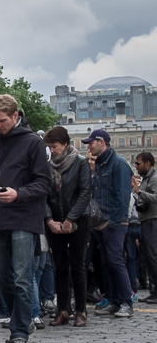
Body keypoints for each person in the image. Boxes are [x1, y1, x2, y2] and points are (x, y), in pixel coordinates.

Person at [0, 95, 51, 343]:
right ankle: (21, 321)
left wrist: (18, 194)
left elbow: (44, 183)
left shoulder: (33, 143)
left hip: (23, 217)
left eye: (3, 120)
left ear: (16, 116)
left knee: (22, 277)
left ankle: (19, 331)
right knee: (1, 276)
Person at [42, 127, 91, 326]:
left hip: (78, 219)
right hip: (54, 220)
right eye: (49, 147)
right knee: (60, 266)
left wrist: (71, 219)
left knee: (77, 265)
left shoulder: (80, 163)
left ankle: (81, 310)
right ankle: (62, 308)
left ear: (65, 144)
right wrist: (49, 220)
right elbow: (43, 195)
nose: (52, 150)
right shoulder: (46, 166)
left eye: (54, 146)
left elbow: (85, 193)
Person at [84, 130, 134, 319]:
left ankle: (126, 302)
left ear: (102, 142)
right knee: (106, 263)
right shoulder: (101, 164)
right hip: (101, 223)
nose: (88, 146)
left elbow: (122, 196)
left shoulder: (118, 164)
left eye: (91, 143)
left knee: (115, 261)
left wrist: (112, 223)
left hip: (113, 223)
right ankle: (113, 300)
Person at [135, 152, 157, 303]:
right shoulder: (146, 179)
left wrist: (140, 192)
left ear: (148, 164)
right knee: (148, 257)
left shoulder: (154, 178)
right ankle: (154, 290)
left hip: (152, 220)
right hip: (146, 220)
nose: (136, 166)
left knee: (153, 256)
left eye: (138, 163)